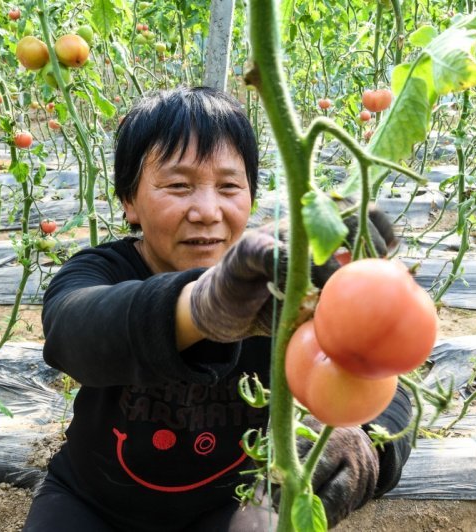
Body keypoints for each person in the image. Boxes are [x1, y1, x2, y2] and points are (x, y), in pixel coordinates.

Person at [23, 86, 412, 532]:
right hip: (91, 503)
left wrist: (368, 444)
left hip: (230, 508)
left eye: (229, 186)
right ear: (129, 202)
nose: (207, 211)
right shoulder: (103, 270)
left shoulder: (283, 280)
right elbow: (75, 331)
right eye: (178, 185)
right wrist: (207, 305)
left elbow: (391, 380)